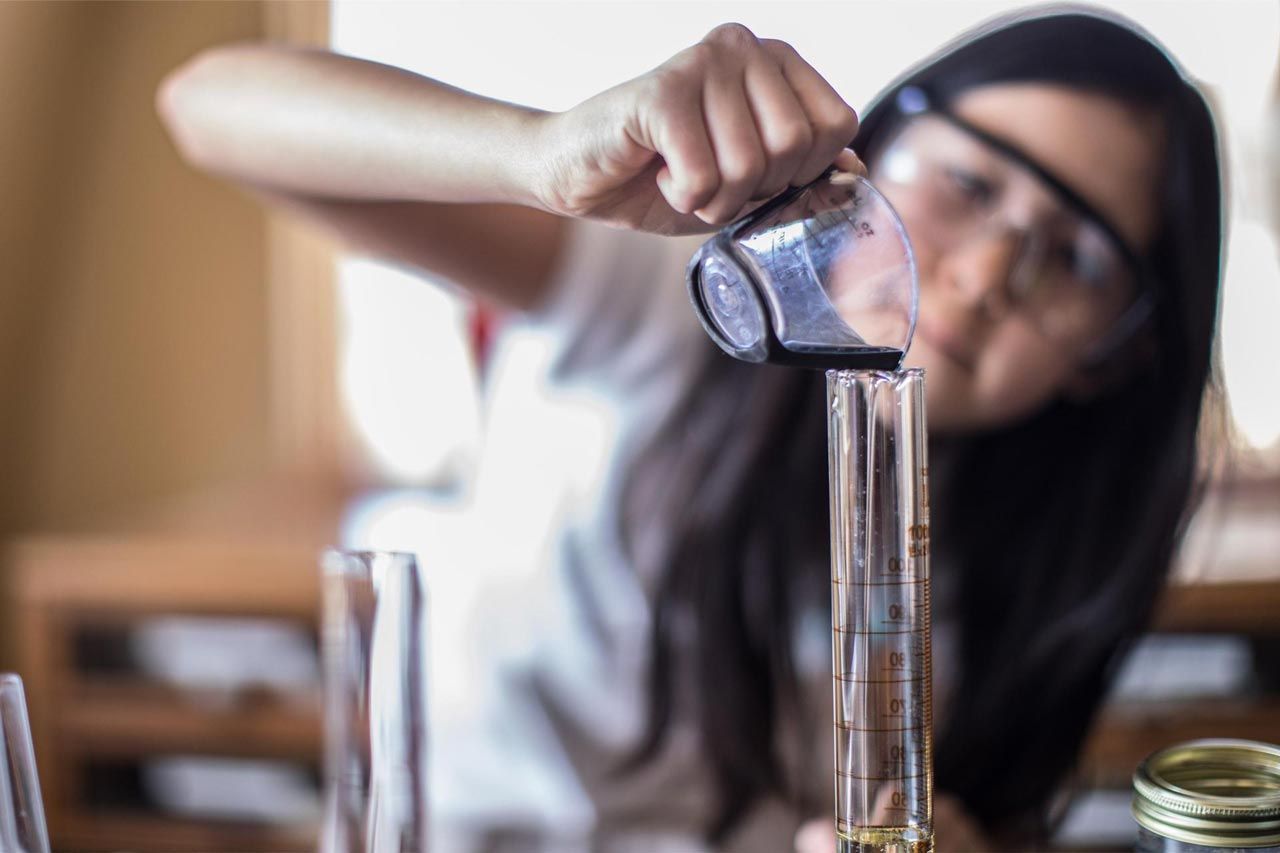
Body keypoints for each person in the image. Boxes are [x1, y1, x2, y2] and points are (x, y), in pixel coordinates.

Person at [157, 5, 1222, 851]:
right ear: (881, 144)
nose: (984, 275)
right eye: (968, 181)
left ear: (1119, 351)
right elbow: (211, 105)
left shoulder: (1035, 567)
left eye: (1074, 258)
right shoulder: (670, 286)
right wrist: (542, 155)